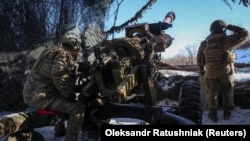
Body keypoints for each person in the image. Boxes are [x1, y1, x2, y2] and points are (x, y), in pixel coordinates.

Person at [23, 24, 85, 141]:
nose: (78, 54)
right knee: (78, 108)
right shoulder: (62, 55)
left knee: (61, 100)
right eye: (77, 52)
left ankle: (60, 130)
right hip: (40, 96)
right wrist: (69, 95)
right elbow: (59, 77)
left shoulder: (51, 51)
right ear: (73, 49)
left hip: (34, 92)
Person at [197, 19, 248, 122]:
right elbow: (244, 33)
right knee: (227, 90)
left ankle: (213, 113)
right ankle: (227, 112)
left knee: (212, 92)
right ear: (223, 29)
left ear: (211, 29)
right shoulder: (226, 41)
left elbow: (200, 58)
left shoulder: (205, 43)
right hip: (226, 72)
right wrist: (230, 26)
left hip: (211, 72)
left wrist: (202, 69)